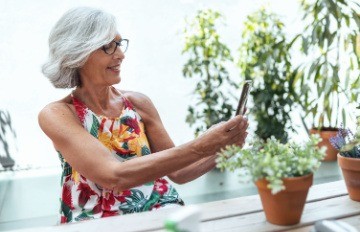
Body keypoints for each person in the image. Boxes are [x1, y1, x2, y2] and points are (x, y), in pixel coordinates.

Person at [38, 7, 249, 224]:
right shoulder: (58, 114)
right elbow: (114, 176)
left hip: (162, 216)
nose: (120, 54)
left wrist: (224, 146)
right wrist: (202, 144)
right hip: (98, 225)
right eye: (108, 46)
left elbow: (180, 172)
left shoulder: (138, 103)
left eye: (119, 44)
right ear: (78, 54)